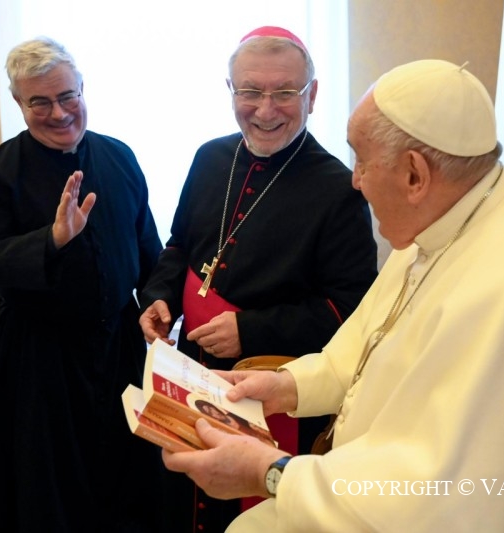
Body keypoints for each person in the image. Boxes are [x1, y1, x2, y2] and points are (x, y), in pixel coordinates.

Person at [162, 59, 504, 532]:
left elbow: (455, 497)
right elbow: (364, 350)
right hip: (368, 483)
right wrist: (282, 386)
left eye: (362, 163)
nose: (356, 183)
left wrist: (270, 474)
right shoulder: (451, 218)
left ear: (415, 174)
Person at [138, 26, 377, 531]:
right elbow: (180, 246)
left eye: (284, 92)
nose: (265, 110)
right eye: (250, 91)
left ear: (312, 95)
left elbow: (349, 307)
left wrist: (251, 330)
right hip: (193, 370)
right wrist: (160, 296)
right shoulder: (209, 158)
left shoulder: (337, 188)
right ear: (230, 91)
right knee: (185, 498)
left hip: (272, 384)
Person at [0, 37, 172, 532]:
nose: (58, 113)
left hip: (118, 350)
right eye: (39, 101)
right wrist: (51, 241)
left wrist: (158, 298)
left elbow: (148, 250)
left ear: (82, 89)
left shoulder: (119, 157)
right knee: (44, 489)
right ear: (19, 103)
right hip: (38, 360)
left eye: (67, 96)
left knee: (124, 478)